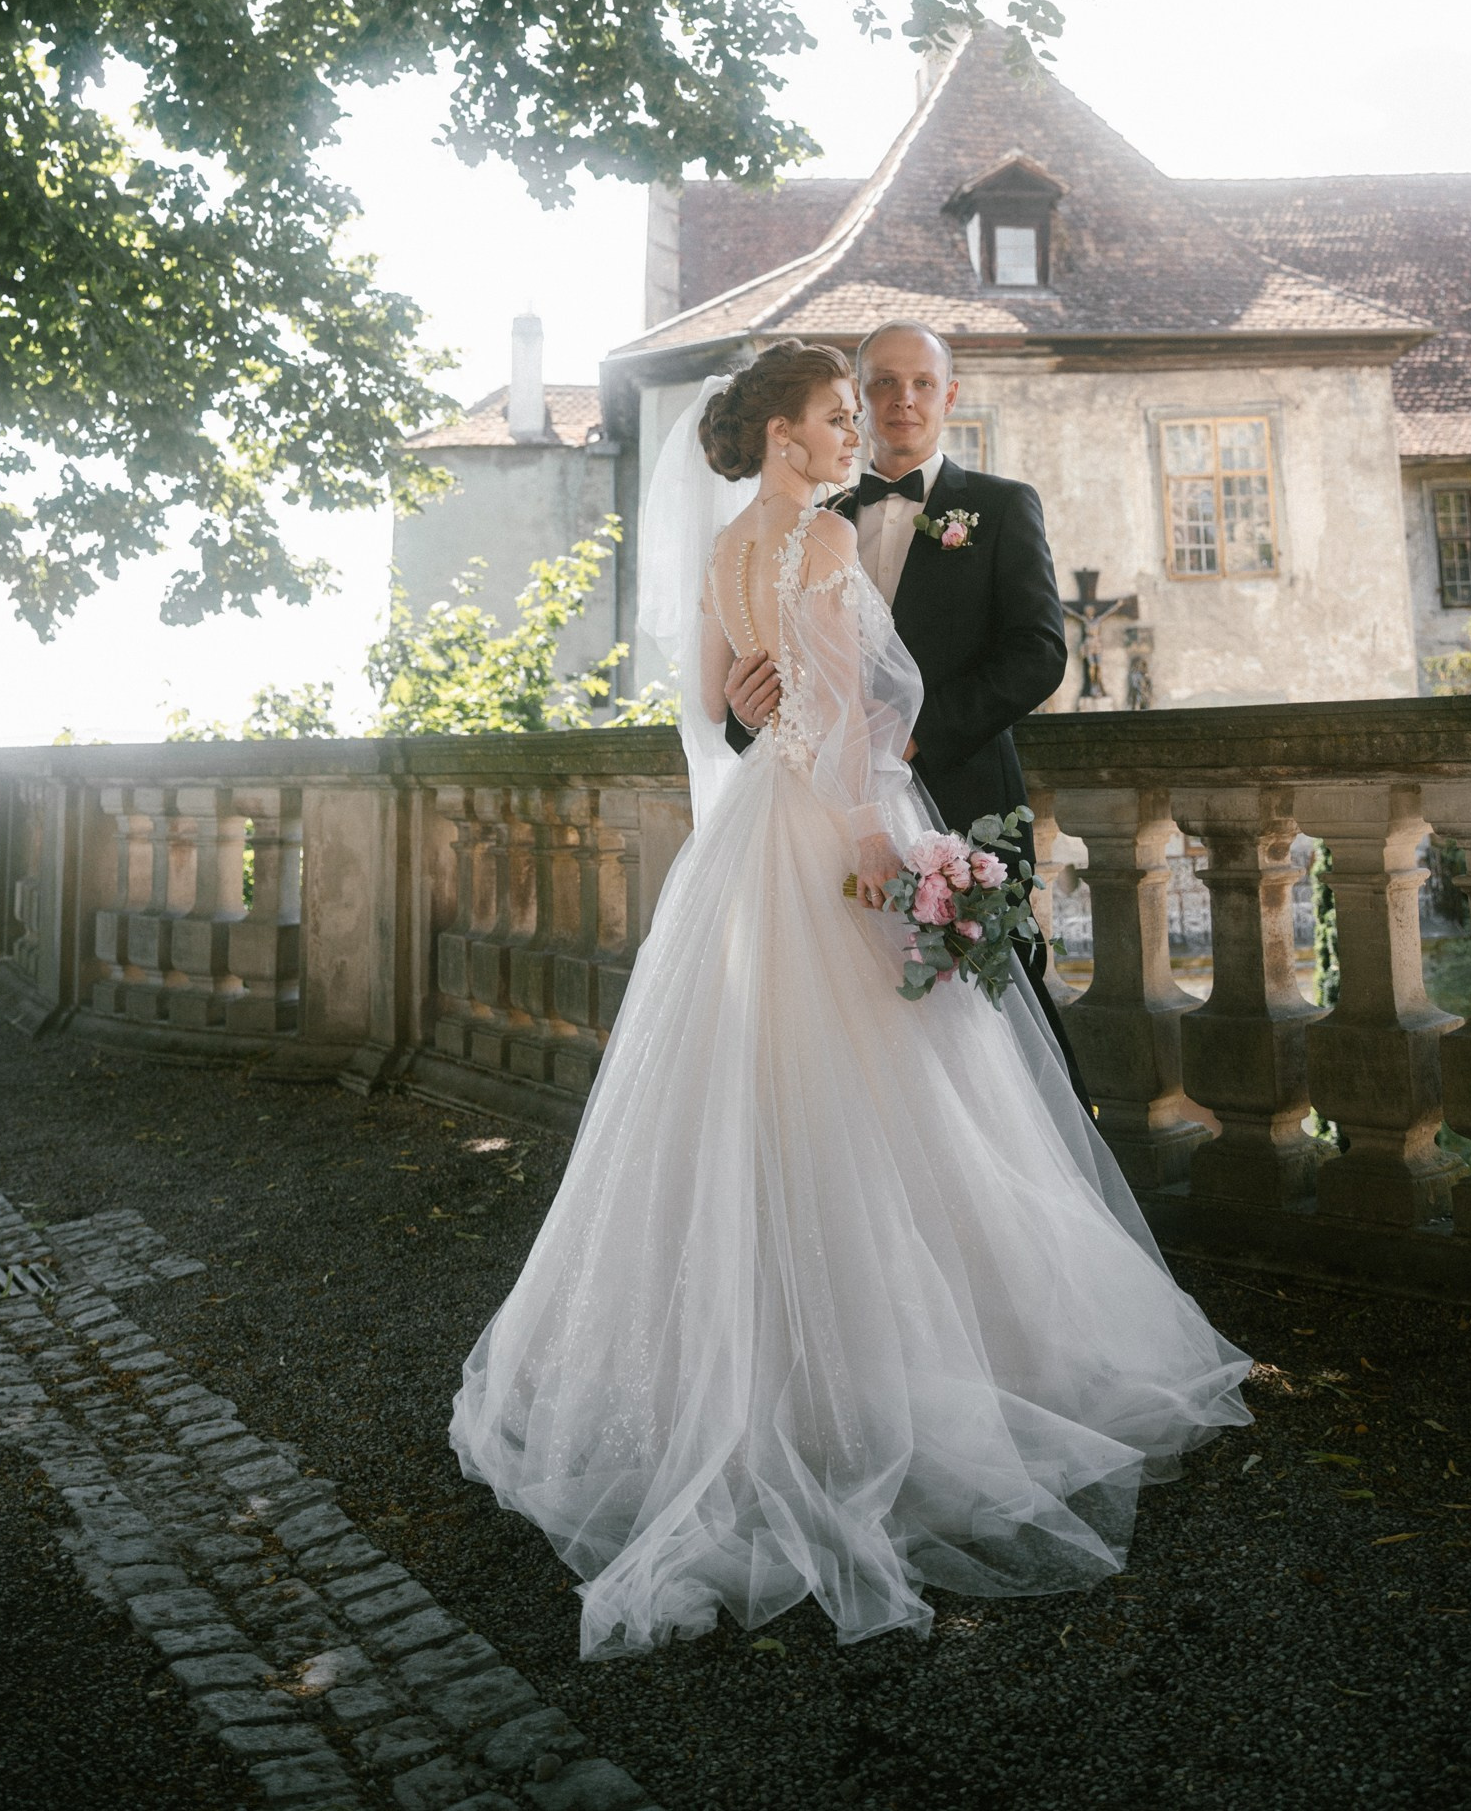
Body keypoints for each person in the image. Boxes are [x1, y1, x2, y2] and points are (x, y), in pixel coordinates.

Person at [449, 340, 1250, 1660]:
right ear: (784, 436)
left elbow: (719, 705)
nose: (848, 432)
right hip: (831, 824)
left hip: (748, 847)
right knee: (905, 1098)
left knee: (759, 1099)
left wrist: (770, 711)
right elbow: (826, 718)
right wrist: (883, 852)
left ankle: (766, 1377)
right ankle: (896, 1381)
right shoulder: (818, 540)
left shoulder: (721, 556)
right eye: (832, 415)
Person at [724, 320, 1089, 1100]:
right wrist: (743, 710)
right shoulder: (812, 516)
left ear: (949, 395)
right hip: (828, 816)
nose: (901, 400)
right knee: (843, 1025)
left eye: (921, 382)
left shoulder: (999, 506)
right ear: (857, 397)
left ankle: (1049, 1197)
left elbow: (1039, 654)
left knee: (1003, 1018)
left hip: (963, 802)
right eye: (881, 384)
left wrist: (911, 739)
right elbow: (774, 682)